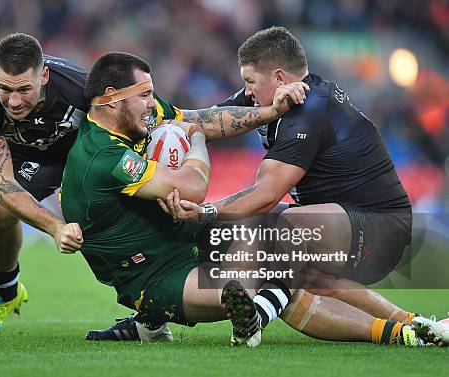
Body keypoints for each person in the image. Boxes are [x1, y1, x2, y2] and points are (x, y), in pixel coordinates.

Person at [0, 33, 305, 341]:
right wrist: (52, 226)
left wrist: (270, 112)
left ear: (44, 76)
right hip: (18, 165)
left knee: (133, 220)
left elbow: (193, 118)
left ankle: (152, 307)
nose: (13, 100)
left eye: (23, 90)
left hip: (77, 164)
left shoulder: (80, 88)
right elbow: (2, 181)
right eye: (5, 89)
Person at [61, 51, 445, 348]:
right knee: (279, 274)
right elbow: (193, 184)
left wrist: (269, 110)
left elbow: (205, 117)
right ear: (112, 100)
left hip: (182, 239)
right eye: (144, 95)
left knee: (288, 249)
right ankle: (164, 317)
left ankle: (410, 325)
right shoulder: (103, 156)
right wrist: (194, 138)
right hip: (155, 274)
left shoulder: (137, 115)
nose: (153, 103)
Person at [162, 26, 446, 345]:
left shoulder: (309, 112)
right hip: (330, 225)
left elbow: (265, 195)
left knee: (283, 225)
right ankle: (408, 329)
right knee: (300, 271)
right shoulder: (272, 98)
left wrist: (205, 213)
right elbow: (211, 120)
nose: (247, 92)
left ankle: (255, 312)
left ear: (280, 78)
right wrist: (155, 116)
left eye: (250, 82)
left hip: (381, 228)